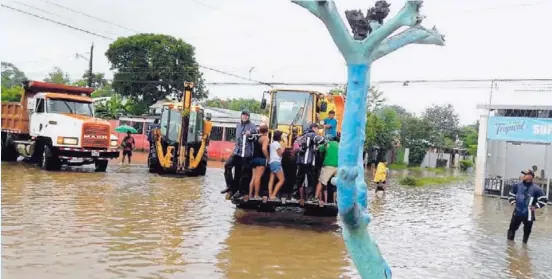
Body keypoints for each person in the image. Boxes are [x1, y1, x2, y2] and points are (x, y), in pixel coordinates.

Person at [221, 109, 257, 197]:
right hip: (237, 152)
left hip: (246, 154)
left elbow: (254, 139)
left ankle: (241, 191)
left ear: (248, 117)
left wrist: (250, 135)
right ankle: (230, 186)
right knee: (227, 165)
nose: (244, 116)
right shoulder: (238, 126)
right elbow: (237, 139)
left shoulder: (252, 126)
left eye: (246, 115)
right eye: (243, 115)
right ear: (241, 116)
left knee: (243, 173)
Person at [507, 169, 548, 244]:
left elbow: (544, 200)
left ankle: (524, 246)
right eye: (523, 174)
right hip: (517, 212)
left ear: (530, 176)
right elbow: (511, 195)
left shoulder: (536, 188)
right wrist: (513, 203)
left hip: (529, 214)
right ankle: (510, 246)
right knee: (512, 229)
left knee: (527, 231)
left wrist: (535, 206)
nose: (523, 176)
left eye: (525, 174)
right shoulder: (517, 185)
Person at [294, 123, 323, 204]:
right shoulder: (312, 135)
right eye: (317, 128)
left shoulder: (303, 136)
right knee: (311, 181)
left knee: (299, 179)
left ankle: (294, 195)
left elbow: (295, 145)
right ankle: (310, 197)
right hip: (310, 162)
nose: (318, 130)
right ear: (313, 128)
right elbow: (321, 140)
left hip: (301, 162)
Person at [315, 134, 339, 205]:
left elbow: (319, 149)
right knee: (338, 184)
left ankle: (315, 197)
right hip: (338, 166)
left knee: (321, 182)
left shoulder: (327, 144)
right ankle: (337, 201)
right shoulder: (340, 145)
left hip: (328, 166)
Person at [248, 123, 269, 200]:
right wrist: (268, 157)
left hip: (254, 159)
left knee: (253, 177)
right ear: (267, 131)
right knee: (258, 177)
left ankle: (250, 194)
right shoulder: (265, 138)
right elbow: (264, 149)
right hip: (261, 160)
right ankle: (256, 195)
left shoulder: (256, 136)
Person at [268, 130, 285, 201]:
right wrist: (284, 147)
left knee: (271, 179)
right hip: (276, 162)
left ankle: (270, 195)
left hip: (272, 162)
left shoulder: (272, 144)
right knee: (282, 180)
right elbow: (280, 153)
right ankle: (273, 195)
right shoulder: (277, 144)